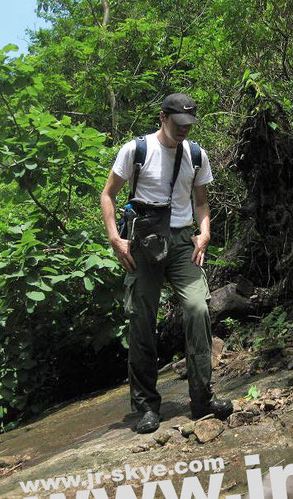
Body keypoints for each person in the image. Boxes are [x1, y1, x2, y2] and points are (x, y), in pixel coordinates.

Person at [100, 93, 233, 434]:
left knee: (197, 309)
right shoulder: (136, 150)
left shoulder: (196, 154)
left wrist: (204, 233)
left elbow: (201, 203)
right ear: (163, 117)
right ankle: (146, 406)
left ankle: (202, 399)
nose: (183, 131)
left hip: (181, 242)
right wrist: (116, 238)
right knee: (142, 320)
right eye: (178, 124)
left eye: (189, 125)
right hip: (143, 244)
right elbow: (108, 194)